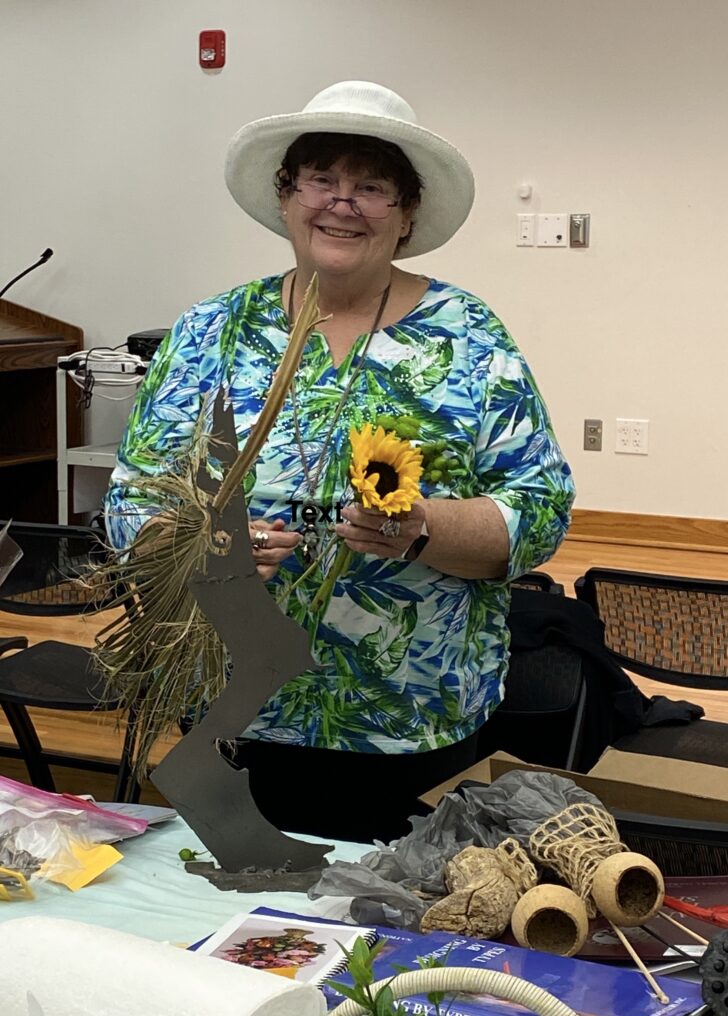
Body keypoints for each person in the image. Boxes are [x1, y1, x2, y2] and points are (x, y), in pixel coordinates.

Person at [105, 80, 575, 844]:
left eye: (372, 186)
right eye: (321, 179)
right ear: (288, 197)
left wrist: (423, 527)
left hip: (411, 721)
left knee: (399, 942)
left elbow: (539, 510)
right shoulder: (211, 332)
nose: (342, 202)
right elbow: (132, 500)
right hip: (236, 710)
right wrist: (203, 546)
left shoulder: (469, 337)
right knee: (243, 931)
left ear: (407, 212)